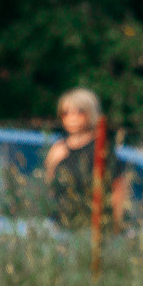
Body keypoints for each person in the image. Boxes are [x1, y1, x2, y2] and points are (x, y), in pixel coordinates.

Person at [43, 88, 126, 229]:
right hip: (60, 225)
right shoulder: (58, 147)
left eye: (79, 112)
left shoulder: (100, 148)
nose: (72, 118)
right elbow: (49, 189)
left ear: (91, 113)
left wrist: (115, 224)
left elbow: (118, 187)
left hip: (91, 227)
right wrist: (51, 163)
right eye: (66, 113)